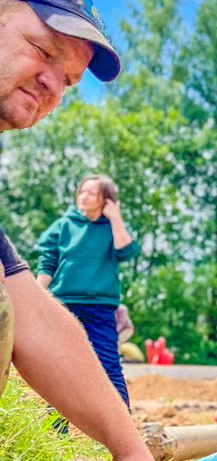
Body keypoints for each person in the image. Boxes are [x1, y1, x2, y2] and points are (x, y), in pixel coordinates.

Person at [0, 0, 164, 461]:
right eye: (42, 50)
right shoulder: (66, 226)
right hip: (69, 298)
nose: (52, 83)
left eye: (68, 80)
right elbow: (35, 281)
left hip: (94, 308)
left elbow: (28, 312)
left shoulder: (104, 228)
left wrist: (129, 447)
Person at [37, 175, 139, 408]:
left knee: (109, 366)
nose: (83, 196)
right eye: (82, 191)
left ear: (106, 199)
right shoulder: (64, 224)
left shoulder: (114, 226)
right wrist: (37, 296)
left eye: (91, 193)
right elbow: (47, 261)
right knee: (58, 367)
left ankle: (123, 435)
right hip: (63, 304)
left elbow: (127, 252)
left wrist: (115, 217)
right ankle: (55, 435)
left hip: (100, 308)